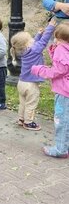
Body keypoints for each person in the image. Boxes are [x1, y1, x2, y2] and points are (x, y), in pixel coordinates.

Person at [10, 19, 56, 131]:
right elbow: (44, 41)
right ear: (27, 44)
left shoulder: (23, 51)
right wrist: (50, 26)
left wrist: (38, 34)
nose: (33, 39)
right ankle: (28, 122)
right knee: (31, 104)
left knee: (23, 103)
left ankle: (21, 119)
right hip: (31, 85)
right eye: (31, 39)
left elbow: (35, 42)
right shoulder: (34, 50)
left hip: (21, 82)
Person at [31, 23, 69, 158]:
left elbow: (58, 71)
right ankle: (65, 145)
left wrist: (39, 69)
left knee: (62, 120)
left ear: (58, 38)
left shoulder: (61, 50)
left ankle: (61, 149)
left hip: (64, 92)